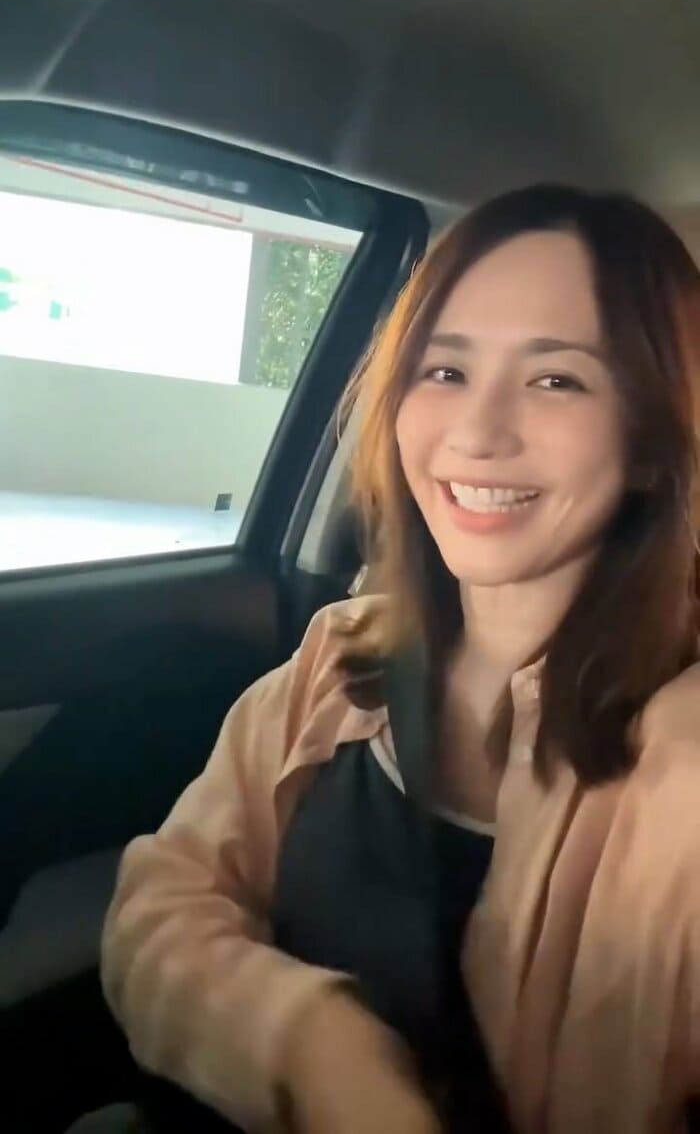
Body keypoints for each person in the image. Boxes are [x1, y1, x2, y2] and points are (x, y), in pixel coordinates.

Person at [74, 185, 700, 1134]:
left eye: (557, 381)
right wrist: (312, 1047)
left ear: (652, 444)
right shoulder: (338, 659)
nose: (476, 433)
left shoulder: (682, 762)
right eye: (444, 370)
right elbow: (163, 902)